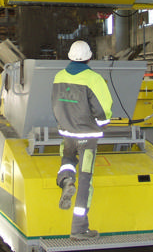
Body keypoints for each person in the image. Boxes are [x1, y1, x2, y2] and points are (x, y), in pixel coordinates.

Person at [51, 40, 113, 241]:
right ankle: (79, 229)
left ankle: (66, 180)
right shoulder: (93, 79)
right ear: (90, 57)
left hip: (67, 133)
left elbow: (55, 105)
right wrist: (103, 122)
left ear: (69, 56)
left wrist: (64, 123)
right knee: (86, 180)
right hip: (87, 137)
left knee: (67, 161)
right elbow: (103, 109)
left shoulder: (59, 76)